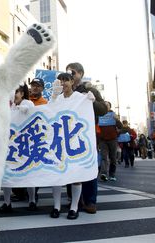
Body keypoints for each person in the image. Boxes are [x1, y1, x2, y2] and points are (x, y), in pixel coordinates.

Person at [48, 72, 95, 220]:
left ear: (72, 82)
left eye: (65, 80)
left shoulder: (80, 97)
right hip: (58, 141)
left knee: (76, 175)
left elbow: (90, 109)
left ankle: (74, 207)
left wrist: (91, 100)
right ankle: (56, 206)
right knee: (57, 175)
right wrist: (54, 97)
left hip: (75, 140)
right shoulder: (56, 98)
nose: (63, 84)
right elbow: (47, 113)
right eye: (60, 81)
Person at [66, 62, 107, 214]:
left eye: (73, 72)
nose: (70, 75)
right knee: (70, 165)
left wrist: (92, 101)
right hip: (69, 135)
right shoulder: (66, 91)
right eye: (68, 73)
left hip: (87, 136)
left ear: (81, 74)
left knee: (88, 165)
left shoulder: (90, 89)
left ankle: (90, 200)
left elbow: (103, 109)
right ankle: (73, 199)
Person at [0, 84, 35, 213]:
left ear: (22, 93)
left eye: (17, 92)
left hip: (25, 144)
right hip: (10, 145)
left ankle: (32, 200)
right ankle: (7, 203)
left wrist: (27, 111)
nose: (14, 94)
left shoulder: (28, 103)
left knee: (29, 174)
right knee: (6, 173)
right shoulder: (10, 106)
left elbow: (35, 118)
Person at [98, 101, 122, 181]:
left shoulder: (113, 115)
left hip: (113, 139)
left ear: (109, 107)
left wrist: (117, 119)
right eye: (104, 105)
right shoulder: (99, 115)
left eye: (107, 105)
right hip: (103, 140)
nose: (105, 106)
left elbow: (120, 126)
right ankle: (104, 173)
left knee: (113, 158)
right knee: (104, 157)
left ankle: (112, 174)